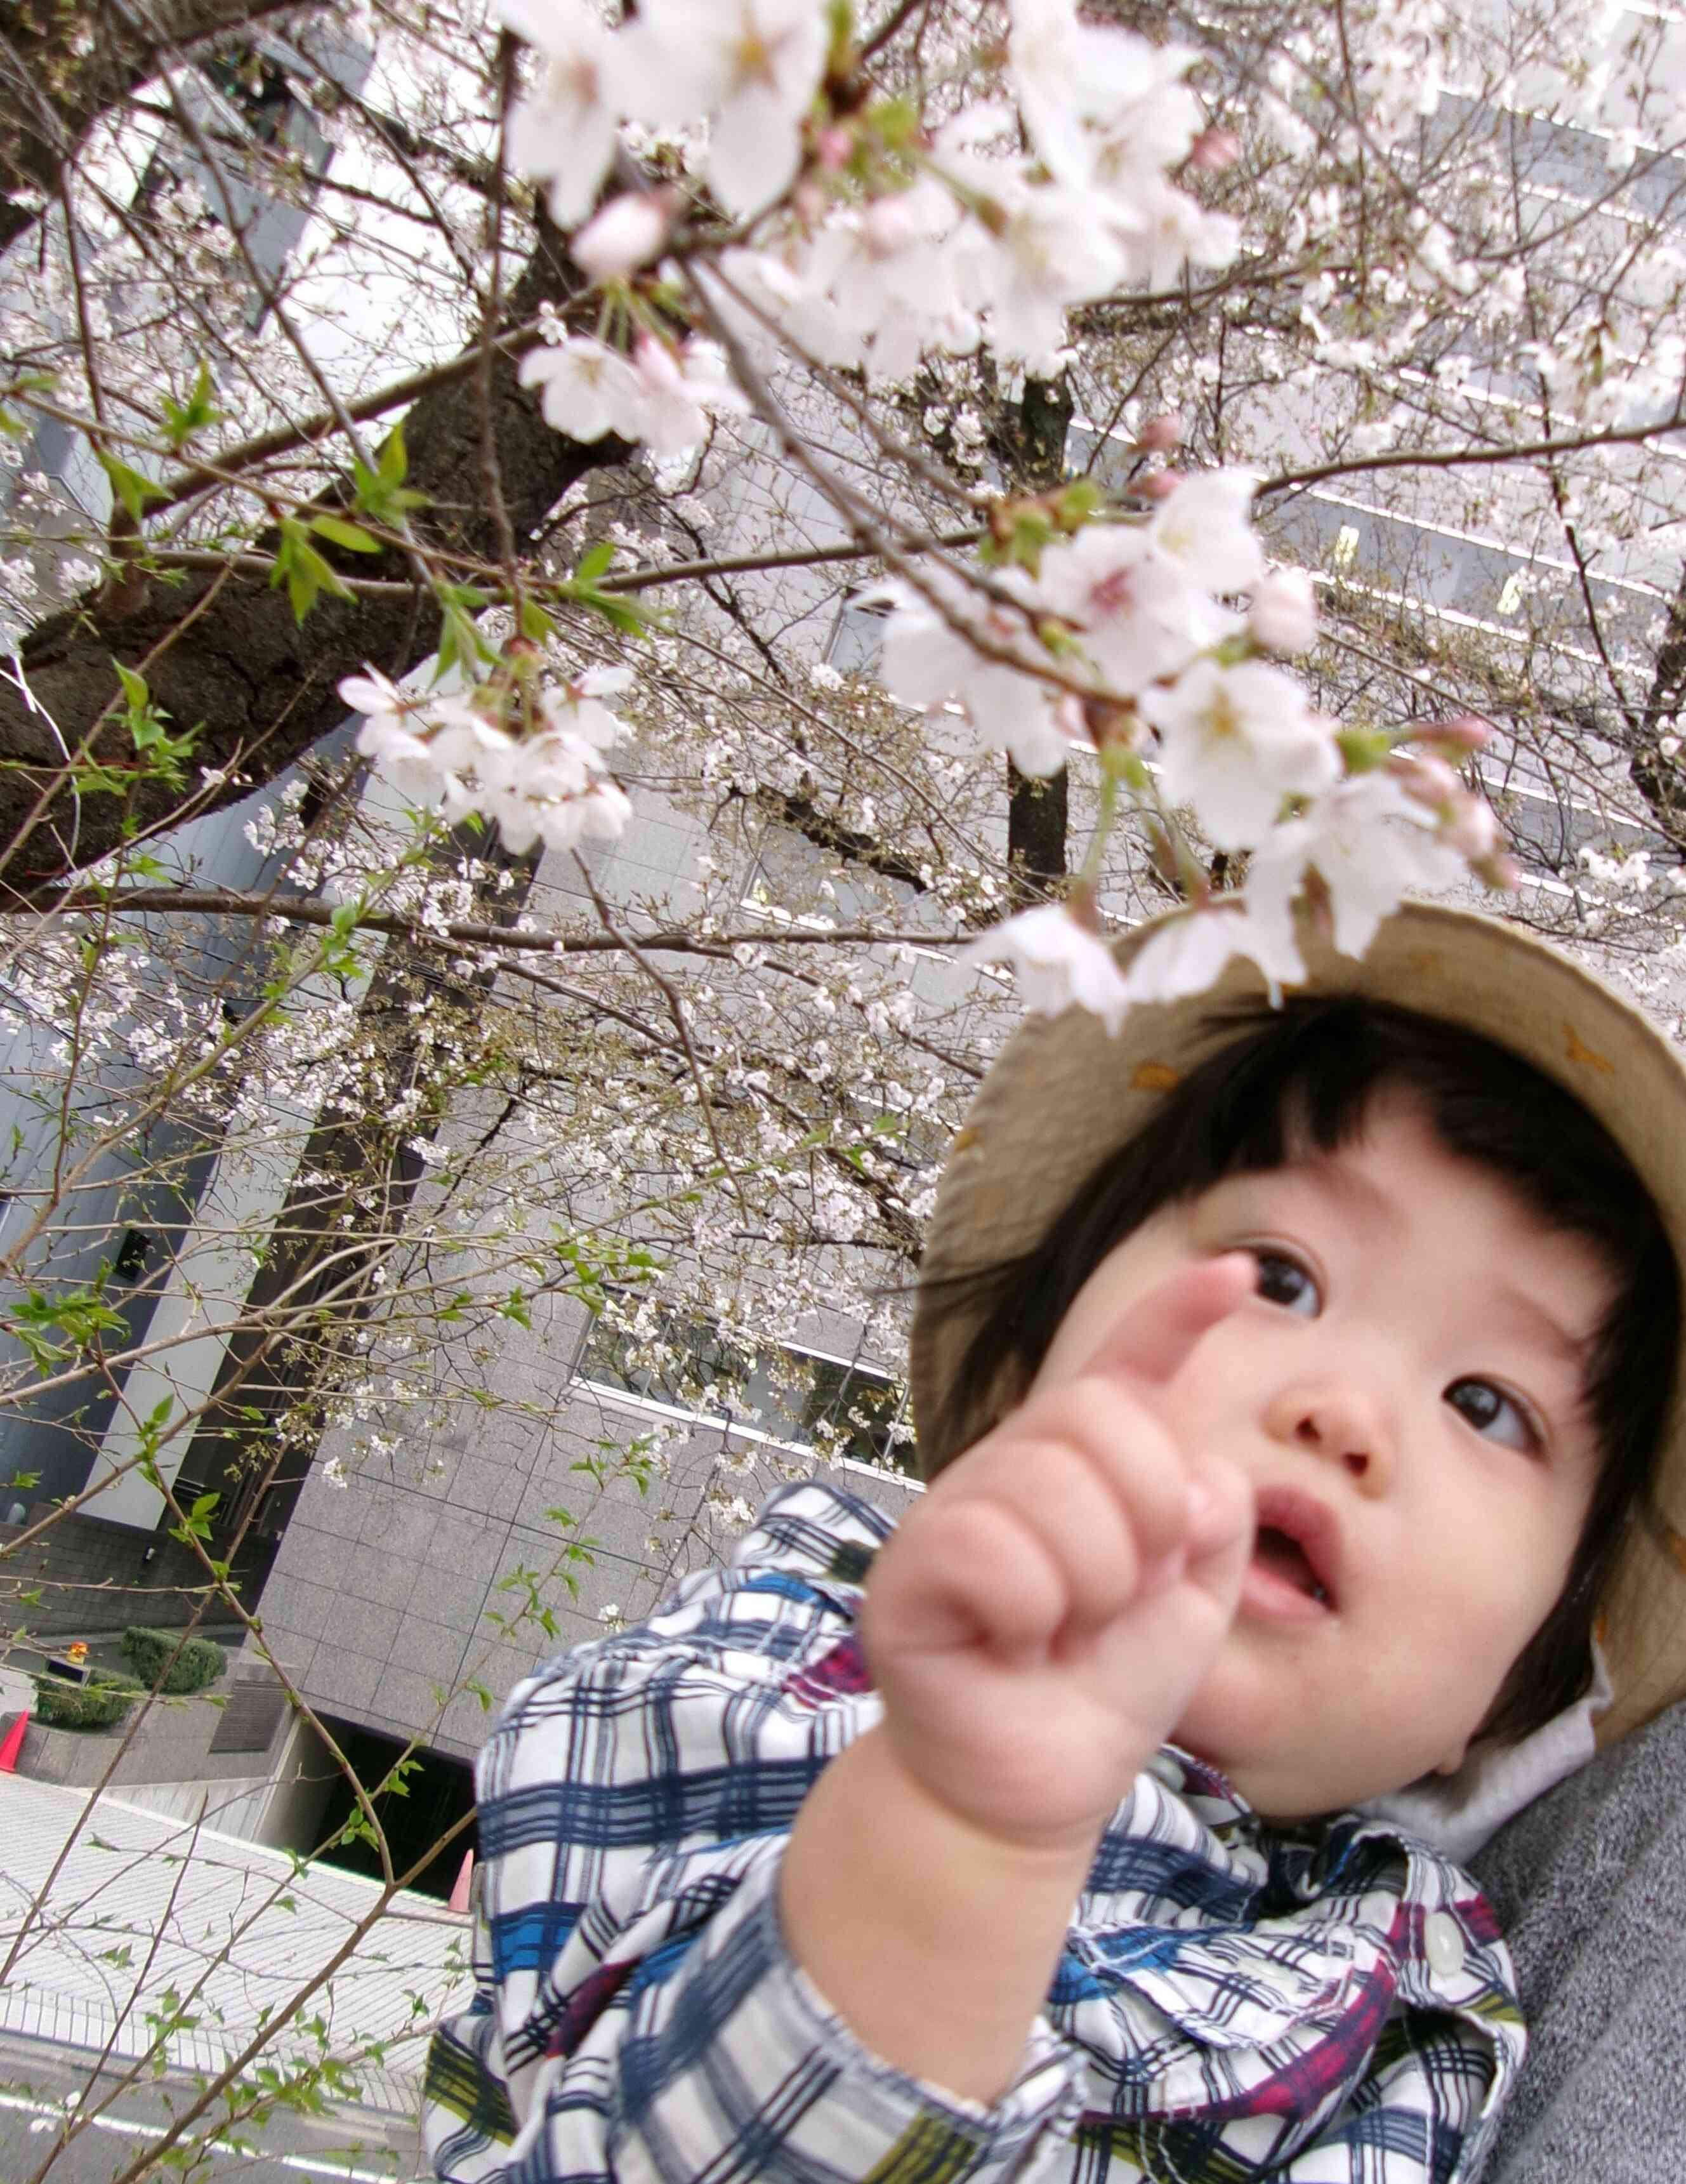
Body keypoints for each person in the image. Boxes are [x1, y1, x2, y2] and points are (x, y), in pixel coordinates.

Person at [422, 902, 1686, 2184]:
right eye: (1283, 1277)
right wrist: (955, 1821)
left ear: (1516, 1695)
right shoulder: (810, 1650)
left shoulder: (1429, 2005)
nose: (1346, 1414)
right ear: (1031, 1377)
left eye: (1487, 1404)